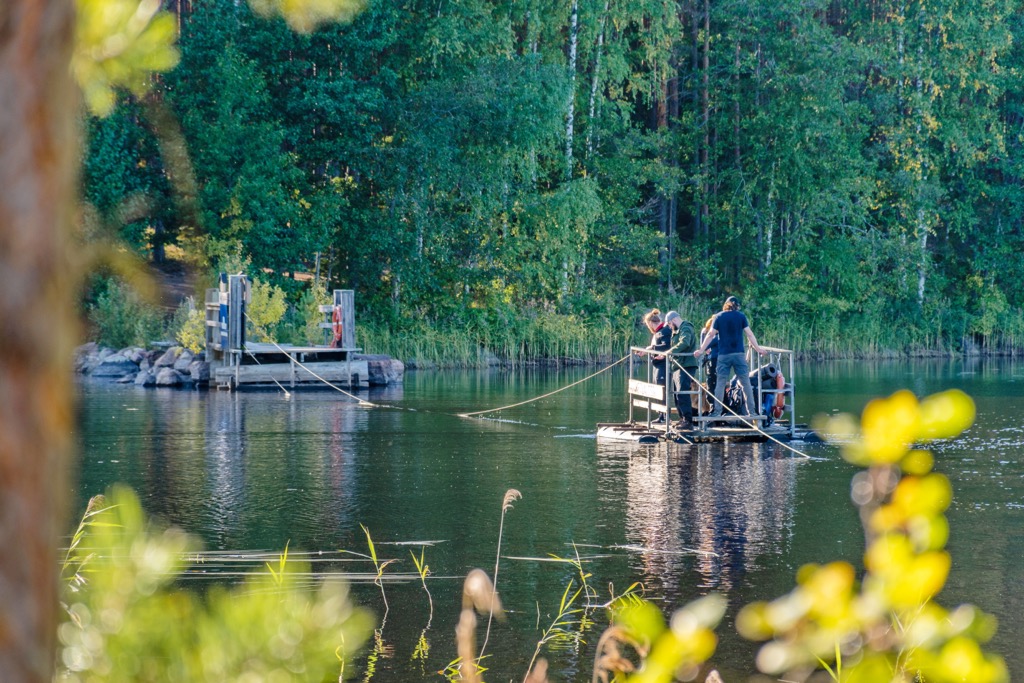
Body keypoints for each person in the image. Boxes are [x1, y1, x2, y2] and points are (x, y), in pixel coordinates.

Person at [693, 296, 765, 421]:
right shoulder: (741, 316)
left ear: (725, 305)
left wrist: (701, 350)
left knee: (720, 384)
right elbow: (749, 334)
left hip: (723, 355)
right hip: (739, 354)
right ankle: (752, 412)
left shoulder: (718, 317)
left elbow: (710, 334)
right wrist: (758, 349)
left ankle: (716, 412)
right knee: (745, 383)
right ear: (737, 306)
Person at [664, 311, 699, 428]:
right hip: (677, 365)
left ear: (673, 320)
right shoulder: (676, 330)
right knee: (676, 393)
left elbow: (685, 342)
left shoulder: (686, 327)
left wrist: (669, 352)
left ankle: (688, 421)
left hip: (686, 365)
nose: (669, 327)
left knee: (682, 392)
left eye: (669, 324)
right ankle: (682, 418)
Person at [639, 309, 672, 424]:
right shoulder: (658, 332)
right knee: (658, 390)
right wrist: (646, 351)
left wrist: (651, 349)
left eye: (648, 325)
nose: (649, 328)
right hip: (657, 365)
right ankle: (661, 415)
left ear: (651, 323)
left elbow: (666, 346)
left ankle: (665, 416)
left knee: (662, 391)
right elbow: (656, 346)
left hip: (663, 366)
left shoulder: (664, 331)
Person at [698, 315, 719, 415]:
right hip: (711, 362)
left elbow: (706, 345)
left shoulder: (718, 335)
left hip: (717, 362)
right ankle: (712, 407)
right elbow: (704, 346)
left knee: (714, 385)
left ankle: (716, 408)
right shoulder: (710, 334)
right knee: (710, 384)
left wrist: (704, 336)